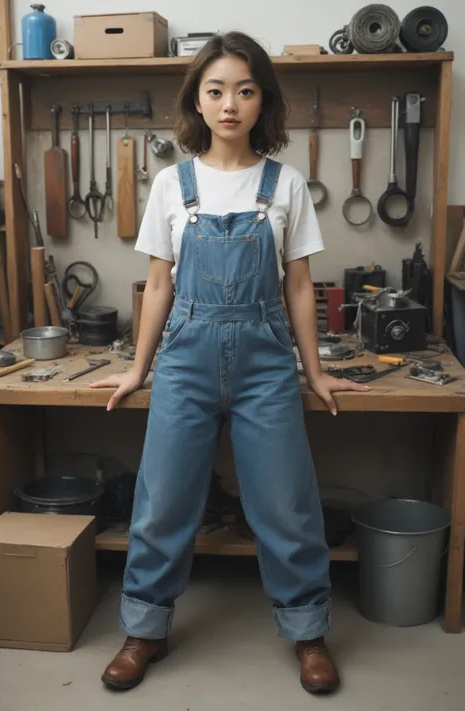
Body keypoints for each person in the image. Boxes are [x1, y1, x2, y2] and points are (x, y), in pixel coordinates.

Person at [91, 30, 369, 695]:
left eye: (246, 90)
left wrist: (314, 369)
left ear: (262, 100)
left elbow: (299, 286)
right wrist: (138, 367)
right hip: (184, 362)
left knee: (286, 502)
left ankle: (307, 631)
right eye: (216, 90)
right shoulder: (171, 184)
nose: (230, 104)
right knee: (162, 500)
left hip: (265, 363)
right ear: (197, 99)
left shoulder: (285, 182)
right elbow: (158, 285)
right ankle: (145, 629)